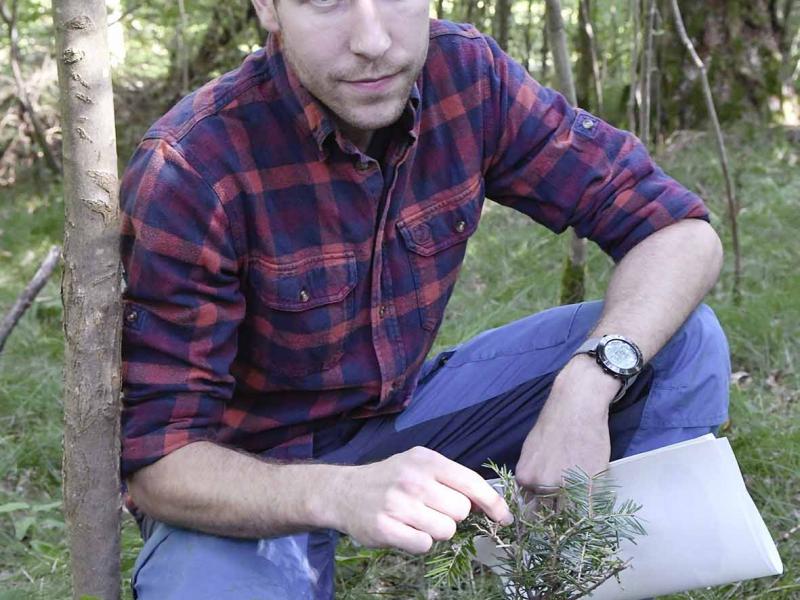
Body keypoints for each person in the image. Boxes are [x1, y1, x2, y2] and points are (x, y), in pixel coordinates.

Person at [119, 1, 730, 598]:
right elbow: (161, 466)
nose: (373, 39)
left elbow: (677, 231)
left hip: (402, 417)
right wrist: (340, 493)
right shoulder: (192, 166)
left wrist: (587, 385)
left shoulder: (465, 76)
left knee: (675, 338)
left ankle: (587, 573)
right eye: (326, 4)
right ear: (269, 9)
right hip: (245, 468)